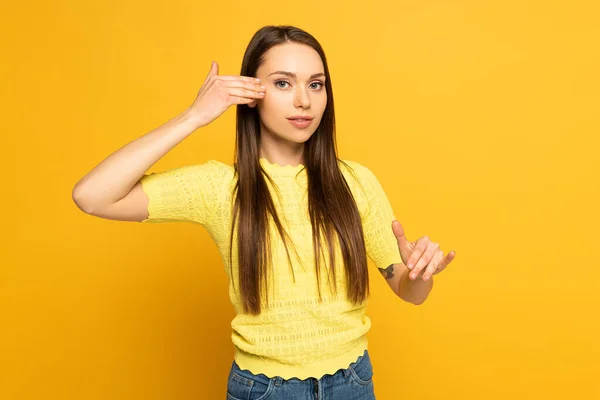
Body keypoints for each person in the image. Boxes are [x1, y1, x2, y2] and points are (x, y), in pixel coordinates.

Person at [73, 24, 455, 400]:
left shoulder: (355, 182)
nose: (304, 101)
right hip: (264, 389)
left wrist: (421, 274)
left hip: (352, 384)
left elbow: (410, 291)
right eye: (283, 83)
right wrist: (193, 117)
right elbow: (92, 196)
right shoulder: (219, 188)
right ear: (251, 94)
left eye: (316, 84)